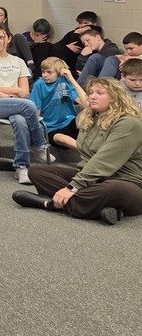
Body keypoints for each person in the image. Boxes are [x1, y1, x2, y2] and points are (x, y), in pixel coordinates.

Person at [17, 77, 142, 225]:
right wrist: (78, 184)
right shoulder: (90, 119)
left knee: (112, 188)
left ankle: (50, 204)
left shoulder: (129, 123)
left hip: (127, 182)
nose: (92, 96)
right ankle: (100, 208)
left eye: (100, 93)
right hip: (94, 180)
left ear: (116, 97)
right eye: (91, 92)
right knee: (37, 172)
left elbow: (104, 160)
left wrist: (72, 187)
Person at [0, 25, 53, 185]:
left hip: (14, 104)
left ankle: (22, 167)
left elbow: (24, 91)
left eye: (1, 37)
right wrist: (14, 90)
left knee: (20, 121)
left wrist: (5, 94)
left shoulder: (18, 62)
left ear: (8, 39)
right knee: (29, 106)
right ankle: (39, 145)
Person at [30, 57, 86, 150]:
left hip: (70, 122)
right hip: (50, 128)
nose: (45, 75)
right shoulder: (39, 84)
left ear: (59, 73)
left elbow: (87, 103)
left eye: (49, 72)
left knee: (91, 112)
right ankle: (89, 154)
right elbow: (36, 112)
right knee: (62, 139)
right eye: (43, 71)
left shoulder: (66, 81)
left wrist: (71, 78)